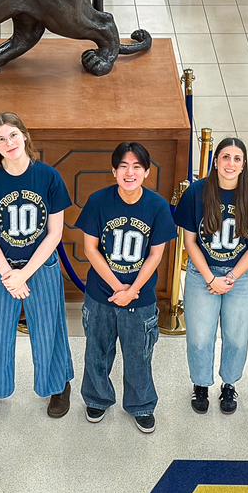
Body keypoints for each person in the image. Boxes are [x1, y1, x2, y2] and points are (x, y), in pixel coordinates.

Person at [0, 112, 73, 419]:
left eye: (13, 135)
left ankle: (58, 385)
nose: (9, 142)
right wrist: (8, 274)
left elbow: (55, 233)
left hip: (41, 266)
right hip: (2, 267)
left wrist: (24, 275)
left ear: (25, 135)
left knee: (48, 328)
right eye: (1, 139)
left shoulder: (49, 176)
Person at [74, 142, 176, 433]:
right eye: (123, 166)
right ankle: (96, 398)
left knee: (138, 354)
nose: (129, 172)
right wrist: (118, 285)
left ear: (146, 172)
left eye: (136, 167)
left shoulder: (156, 206)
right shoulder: (98, 201)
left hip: (140, 297)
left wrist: (132, 291)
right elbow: (90, 249)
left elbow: (156, 253)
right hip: (100, 293)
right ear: (114, 171)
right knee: (97, 350)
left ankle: (141, 404)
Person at [174, 137, 248, 415]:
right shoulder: (196, 193)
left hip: (241, 277)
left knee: (237, 337)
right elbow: (190, 241)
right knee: (199, 336)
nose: (231, 163)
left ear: (243, 165)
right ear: (215, 161)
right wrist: (210, 278)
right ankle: (201, 384)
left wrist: (230, 277)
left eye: (237, 159)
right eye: (225, 157)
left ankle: (229, 384)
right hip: (201, 274)